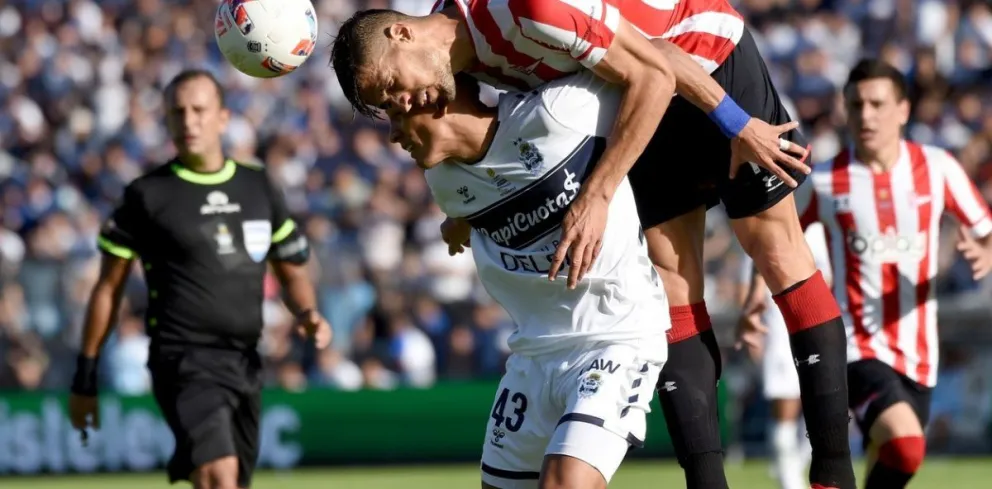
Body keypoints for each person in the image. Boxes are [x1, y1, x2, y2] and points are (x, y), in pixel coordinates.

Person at [330, 2, 856, 488]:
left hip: (706, 59)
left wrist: (737, 125)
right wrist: (470, 214)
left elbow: (659, 61)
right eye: (388, 105)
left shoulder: (523, 10)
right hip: (639, 101)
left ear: (401, 33)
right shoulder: (451, 66)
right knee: (673, 284)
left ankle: (833, 476)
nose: (402, 105)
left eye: (393, 87)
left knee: (776, 251)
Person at [392, 69, 670, 488]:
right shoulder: (442, 180)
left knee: (563, 482)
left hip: (616, 335)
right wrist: (458, 223)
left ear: (438, 98)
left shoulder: (559, 112)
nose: (394, 135)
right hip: (532, 356)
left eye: (397, 116)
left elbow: (653, 72)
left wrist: (736, 122)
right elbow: (491, 191)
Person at [67, 69, 332, 489]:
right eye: (178, 112)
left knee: (232, 481)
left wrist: (308, 312)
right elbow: (107, 288)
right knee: (218, 478)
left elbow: (291, 269)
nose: (189, 121)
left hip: (245, 360)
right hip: (182, 358)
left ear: (223, 118)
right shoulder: (147, 196)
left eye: (199, 110)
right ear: (167, 121)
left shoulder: (258, 185)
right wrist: (85, 375)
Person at [740, 58, 992, 489]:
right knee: (907, 445)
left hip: (919, 354)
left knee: (894, 459)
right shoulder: (826, 181)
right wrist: (751, 301)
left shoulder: (938, 169)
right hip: (856, 347)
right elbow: (774, 239)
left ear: (903, 110)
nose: (867, 115)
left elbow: (984, 230)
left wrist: (983, 251)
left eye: (877, 104)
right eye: (856, 105)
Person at [735, 222, 830, 489]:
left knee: (823, 407)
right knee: (786, 406)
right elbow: (745, 284)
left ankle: (793, 466)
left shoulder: (818, 230)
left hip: (820, 330)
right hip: (778, 331)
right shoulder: (759, 223)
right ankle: (790, 482)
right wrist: (753, 330)